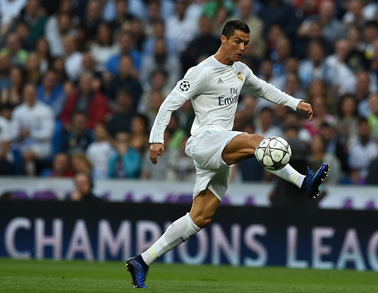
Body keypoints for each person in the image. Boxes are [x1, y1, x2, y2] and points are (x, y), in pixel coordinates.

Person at [125, 20, 328, 288]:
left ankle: (143, 260)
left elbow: (264, 89)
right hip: (204, 141)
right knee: (257, 142)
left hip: (221, 146)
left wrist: (295, 103)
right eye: (237, 41)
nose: (242, 47)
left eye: (246, 42)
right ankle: (303, 182)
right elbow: (169, 103)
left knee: (200, 217)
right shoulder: (202, 72)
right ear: (223, 39)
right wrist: (155, 139)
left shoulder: (241, 71)